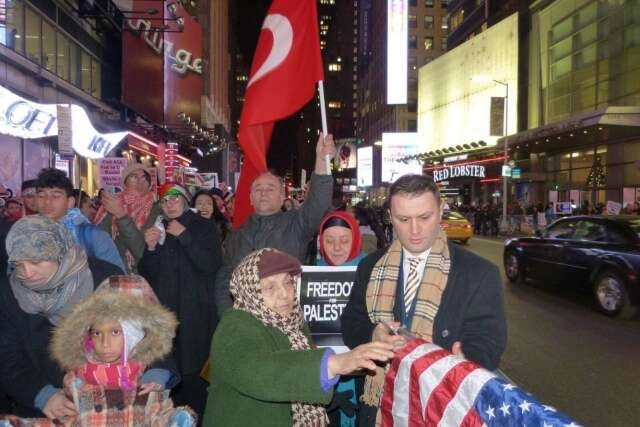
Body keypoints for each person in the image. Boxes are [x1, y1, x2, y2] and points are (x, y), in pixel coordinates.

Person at [340, 174, 507, 426]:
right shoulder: (370, 266)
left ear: (440, 211)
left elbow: (489, 338)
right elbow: (351, 322)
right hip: (378, 409)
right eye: (403, 219)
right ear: (390, 216)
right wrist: (372, 334)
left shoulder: (479, 273)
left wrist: (467, 360)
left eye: (424, 217)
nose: (414, 230)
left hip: (443, 407)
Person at [203, 248, 394, 426]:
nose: (285, 294)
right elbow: (258, 371)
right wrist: (333, 364)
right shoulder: (235, 324)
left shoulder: (293, 321)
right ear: (249, 292)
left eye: (287, 282)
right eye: (269, 287)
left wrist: (351, 366)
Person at [0, 216, 136, 419]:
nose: (27, 273)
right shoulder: (9, 291)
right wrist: (42, 394)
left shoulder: (105, 277)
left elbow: (142, 334)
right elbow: (7, 355)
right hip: (41, 410)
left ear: (60, 251)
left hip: (108, 404)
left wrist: (157, 374)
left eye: (36, 261)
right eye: (19, 264)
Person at [214, 133, 336, 317]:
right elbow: (224, 279)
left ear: (282, 197)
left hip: (286, 318)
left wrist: (321, 160)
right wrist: (228, 316)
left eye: (270, 189)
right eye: (258, 189)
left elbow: (318, 204)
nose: (263, 193)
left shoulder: (296, 224)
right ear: (250, 198)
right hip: (247, 322)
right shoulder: (236, 235)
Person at [49, 275, 193, 426]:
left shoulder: (147, 380)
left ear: (134, 335)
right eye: (97, 333)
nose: (105, 344)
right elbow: (66, 420)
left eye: (115, 332)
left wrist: (174, 420)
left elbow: (160, 416)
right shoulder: (77, 380)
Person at [139, 183, 222, 419]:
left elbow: (211, 264)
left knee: (195, 375)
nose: (169, 204)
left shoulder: (204, 226)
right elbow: (148, 274)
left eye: (174, 199)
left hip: (197, 315)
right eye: (165, 201)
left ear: (185, 200)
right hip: (166, 315)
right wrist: (151, 248)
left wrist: (184, 236)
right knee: (170, 372)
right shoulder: (159, 228)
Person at [36, 168, 125, 273]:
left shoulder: (93, 236)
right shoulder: (27, 233)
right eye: (41, 196)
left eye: (55, 196)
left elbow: (117, 278)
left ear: (70, 202)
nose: (47, 201)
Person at [94, 163, 162, 273]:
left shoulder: (156, 210)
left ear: (150, 184)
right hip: (113, 273)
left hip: (141, 274)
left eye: (144, 178)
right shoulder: (110, 206)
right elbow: (100, 244)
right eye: (133, 176)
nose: (140, 181)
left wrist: (122, 216)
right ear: (124, 183)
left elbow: (141, 252)